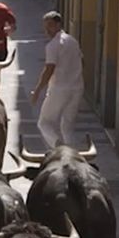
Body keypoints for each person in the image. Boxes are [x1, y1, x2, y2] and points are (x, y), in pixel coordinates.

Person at [30, 12, 84, 148]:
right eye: (45, 26)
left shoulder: (53, 45)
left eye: (50, 26)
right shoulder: (73, 41)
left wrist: (37, 91)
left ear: (58, 25)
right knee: (67, 126)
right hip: (77, 88)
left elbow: (49, 69)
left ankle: (58, 147)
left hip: (59, 89)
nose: (47, 30)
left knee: (44, 123)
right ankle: (72, 154)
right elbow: (82, 61)